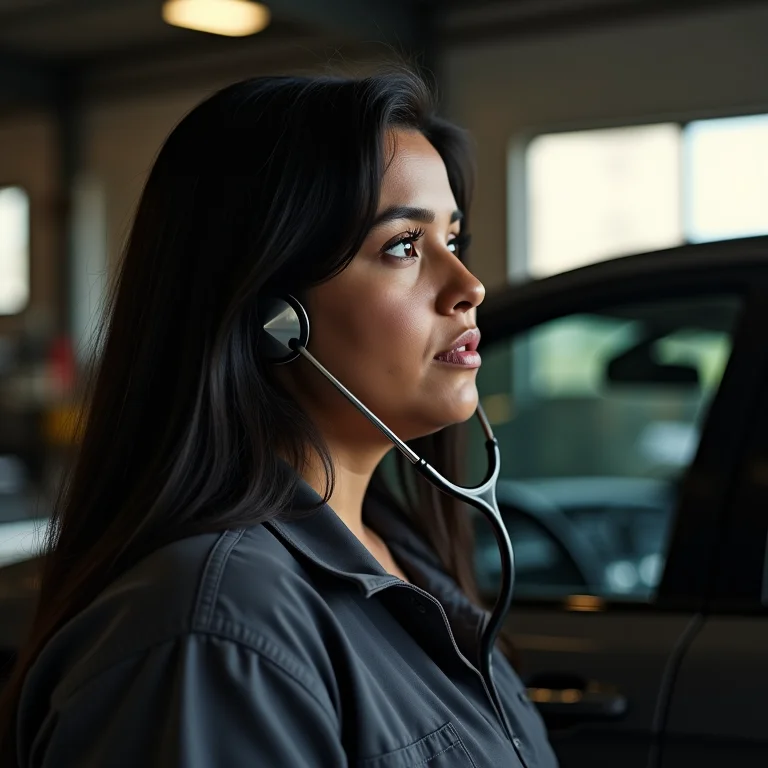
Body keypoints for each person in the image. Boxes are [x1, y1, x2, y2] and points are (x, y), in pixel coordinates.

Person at [0, 70, 558, 767]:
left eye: (454, 238)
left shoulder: (400, 553)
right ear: (274, 320)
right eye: (403, 247)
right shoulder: (210, 639)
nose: (468, 286)